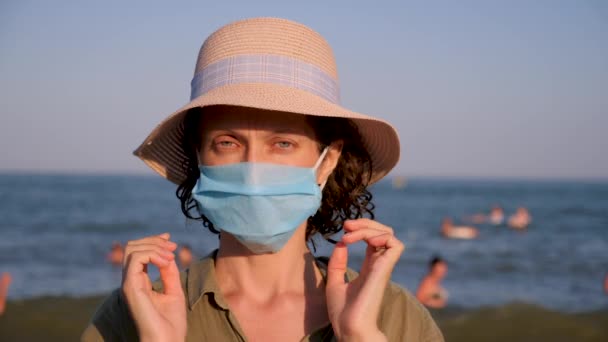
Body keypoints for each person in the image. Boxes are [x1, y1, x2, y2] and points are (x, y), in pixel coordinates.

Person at [82, 17, 443, 341]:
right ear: (198, 156)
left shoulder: (396, 318)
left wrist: (361, 336)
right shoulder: (130, 316)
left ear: (327, 160)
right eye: (227, 143)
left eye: (282, 143)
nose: (253, 169)